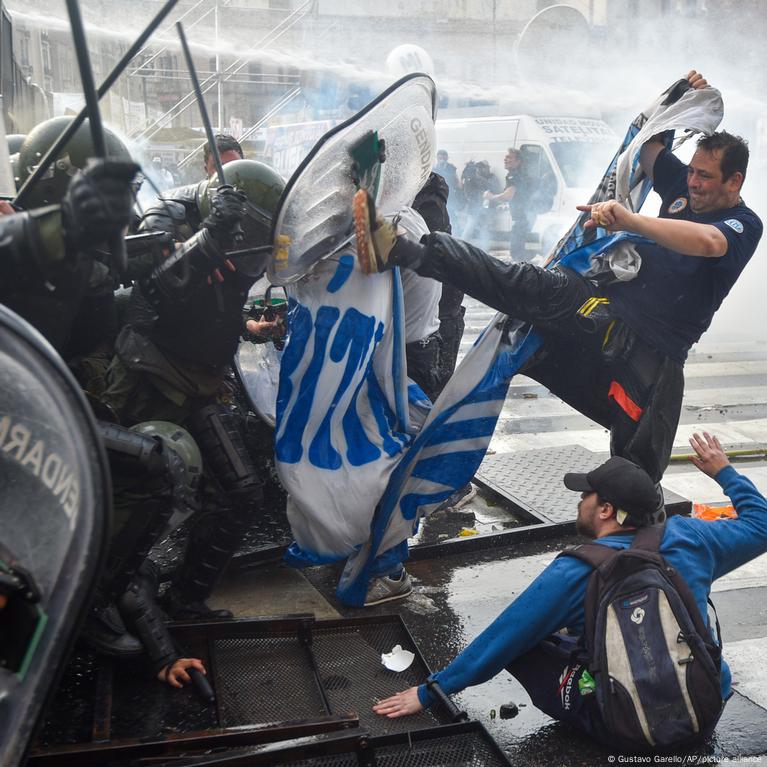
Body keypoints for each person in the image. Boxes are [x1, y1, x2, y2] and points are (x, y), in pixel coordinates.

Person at [354, 71, 762, 486]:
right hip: (604, 311)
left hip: (653, 358)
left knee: (635, 478)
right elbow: (649, 147)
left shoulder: (743, 224)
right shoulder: (682, 184)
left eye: (705, 176)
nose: (693, 181)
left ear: (735, 181)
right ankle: (405, 249)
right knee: (522, 282)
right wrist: (679, 96)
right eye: (692, 171)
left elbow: (708, 241)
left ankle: (628, 540)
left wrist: (632, 222)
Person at [373, 431, 767, 746]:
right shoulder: (693, 536)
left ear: (605, 510)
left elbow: (500, 640)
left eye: (585, 494)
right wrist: (723, 471)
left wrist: (429, 693)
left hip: (630, 730)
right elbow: (761, 525)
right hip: (707, 700)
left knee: (530, 639)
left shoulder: (576, 570)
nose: (579, 500)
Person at [483, 147, 534, 262]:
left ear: (518, 161)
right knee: (518, 252)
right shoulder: (521, 174)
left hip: (522, 218)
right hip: (525, 216)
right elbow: (519, 196)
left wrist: (491, 197)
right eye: (505, 157)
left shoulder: (514, 175)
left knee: (516, 254)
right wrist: (507, 205)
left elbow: (508, 195)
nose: (505, 159)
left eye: (509, 157)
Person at [460, 159, 500, 251]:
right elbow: (469, 192)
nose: (481, 169)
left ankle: (485, 249)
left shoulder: (491, 177)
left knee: (484, 229)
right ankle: (461, 247)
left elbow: (496, 189)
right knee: (469, 228)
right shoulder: (472, 178)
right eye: (479, 167)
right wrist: (481, 194)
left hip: (487, 208)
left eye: (483, 167)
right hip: (475, 207)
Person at [433, 149, 463, 225]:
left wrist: (459, 189)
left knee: (451, 214)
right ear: (437, 158)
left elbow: (456, 181)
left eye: (444, 157)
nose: (442, 159)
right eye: (440, 157)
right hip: (437, 195)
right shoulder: (433, 168)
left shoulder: (451, 168)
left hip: (450, 195)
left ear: (447, 158)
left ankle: (455, 231)